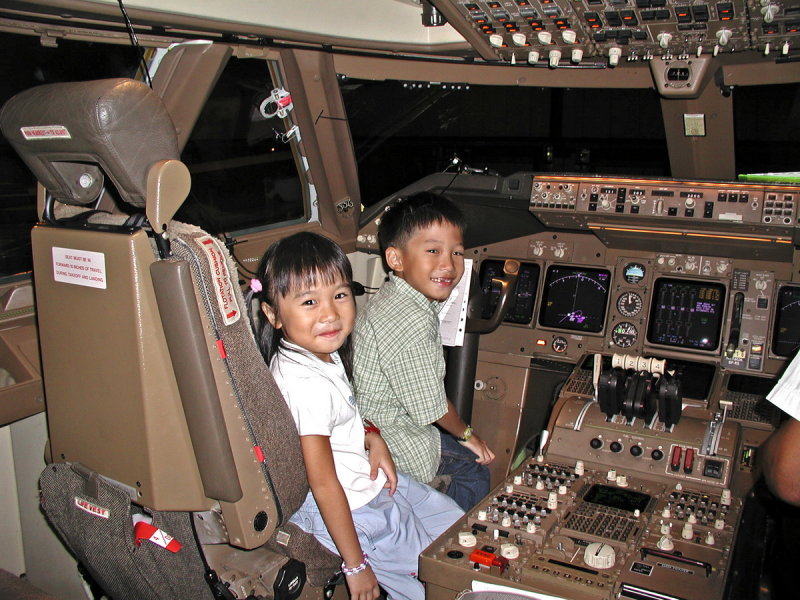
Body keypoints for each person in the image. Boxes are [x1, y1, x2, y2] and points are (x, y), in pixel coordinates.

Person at [253, 231, 464, 600]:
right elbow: (323, 484)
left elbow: (340, 416)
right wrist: (356, 565)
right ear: (273, 314)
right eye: (308, 301)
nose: (330, 313)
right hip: (355, 511)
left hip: (365, 482)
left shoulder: (315, 353)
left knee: (454, 528)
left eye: (339, 294)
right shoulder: (305, 384)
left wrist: (370, 433)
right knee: (433, 584)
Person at [353, 192, 495, 512]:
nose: (448, 264)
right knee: (476, 470)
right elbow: (431, 407)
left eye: (457, 252)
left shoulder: (393, 298)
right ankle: (445, 542)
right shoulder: (411, 320)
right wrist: (469, 436)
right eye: (433, 250)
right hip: (397, 441)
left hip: (372, 422)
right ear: (396, 259)